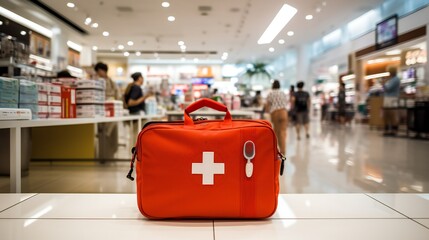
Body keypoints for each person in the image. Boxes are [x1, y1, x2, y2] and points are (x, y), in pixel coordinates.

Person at [265, 80, 288, 155]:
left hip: (275, 113)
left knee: (277, 132)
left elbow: (268, 106)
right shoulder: (283, 93)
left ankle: (278, 150)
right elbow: (286, 103)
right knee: (283, 132)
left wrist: (267, 112)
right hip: (283, 112)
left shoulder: (270, 93)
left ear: (273, 85)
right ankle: (283, 151)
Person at [383, 66, 400, 135]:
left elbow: (388, 88)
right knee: (386, 115)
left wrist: (384, 83)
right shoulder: (391, 79)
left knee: (392, 114)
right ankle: (387, 129)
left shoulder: (395, 79)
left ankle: (394, 130)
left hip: (392, 98)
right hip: (388, 98)